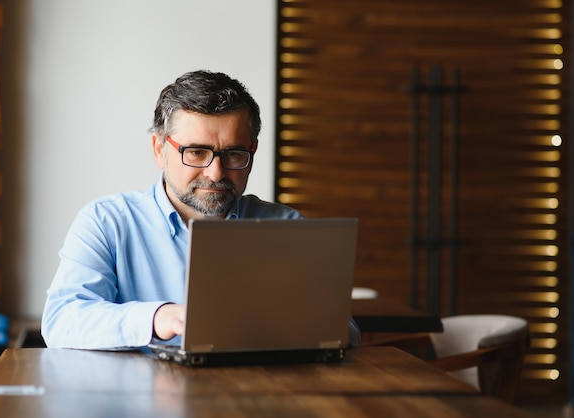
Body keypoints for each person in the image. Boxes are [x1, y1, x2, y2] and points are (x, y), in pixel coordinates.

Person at [41, 70, 361, 350]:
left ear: (252, 151)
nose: (215, 173)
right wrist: (157, 317)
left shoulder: (288, 227)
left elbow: (344, 333)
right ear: (159, 149)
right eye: (196, 152)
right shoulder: (106, 222)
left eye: (233, 154)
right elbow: (61, 321)